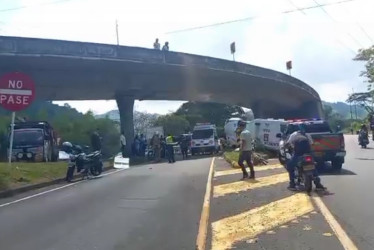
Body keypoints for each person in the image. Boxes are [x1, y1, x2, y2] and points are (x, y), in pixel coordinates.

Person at [286, 123, 326, 191]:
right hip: (308, 153)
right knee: (313, 166)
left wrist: (288, 148)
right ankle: (318, 184)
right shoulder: (307, 135)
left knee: (290, 166)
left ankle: (292, 184)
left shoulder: (294, 134)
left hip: (298, 154)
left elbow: (288, 143)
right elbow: (311, 144)